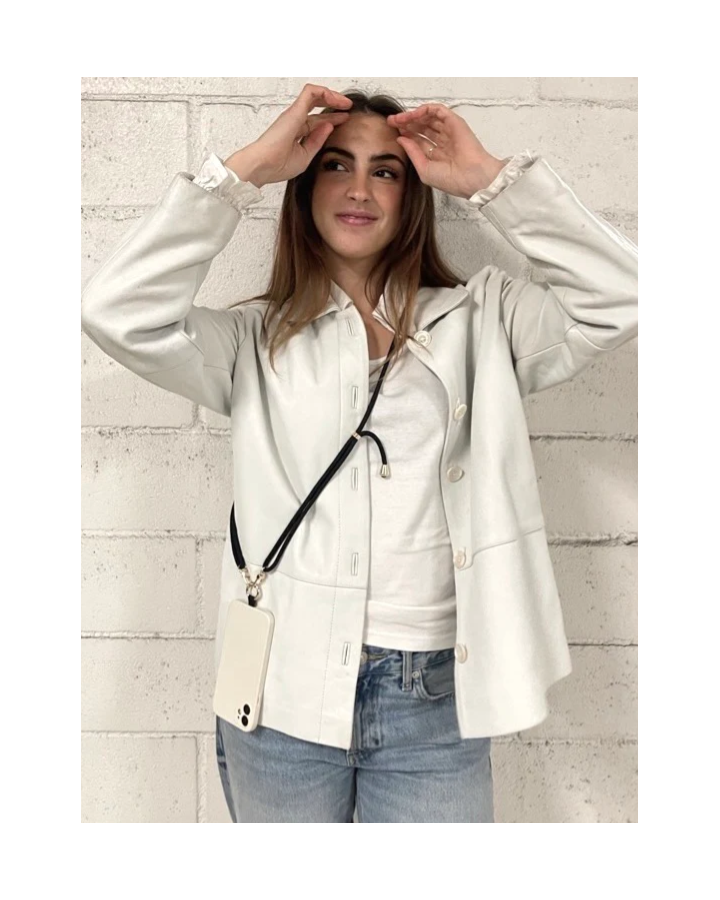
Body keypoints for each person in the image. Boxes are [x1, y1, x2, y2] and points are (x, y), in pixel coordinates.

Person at [81, 83, 638, 823]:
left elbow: (623, 295)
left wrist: (489, 179)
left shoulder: (483, 321)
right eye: (336, 165)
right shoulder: (255, 340)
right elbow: (115, 312)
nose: (359, 189)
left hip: (433, 700)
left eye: (386, 171)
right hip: (282, 693)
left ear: (412, 195)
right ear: (304, 184)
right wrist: (247, 171)